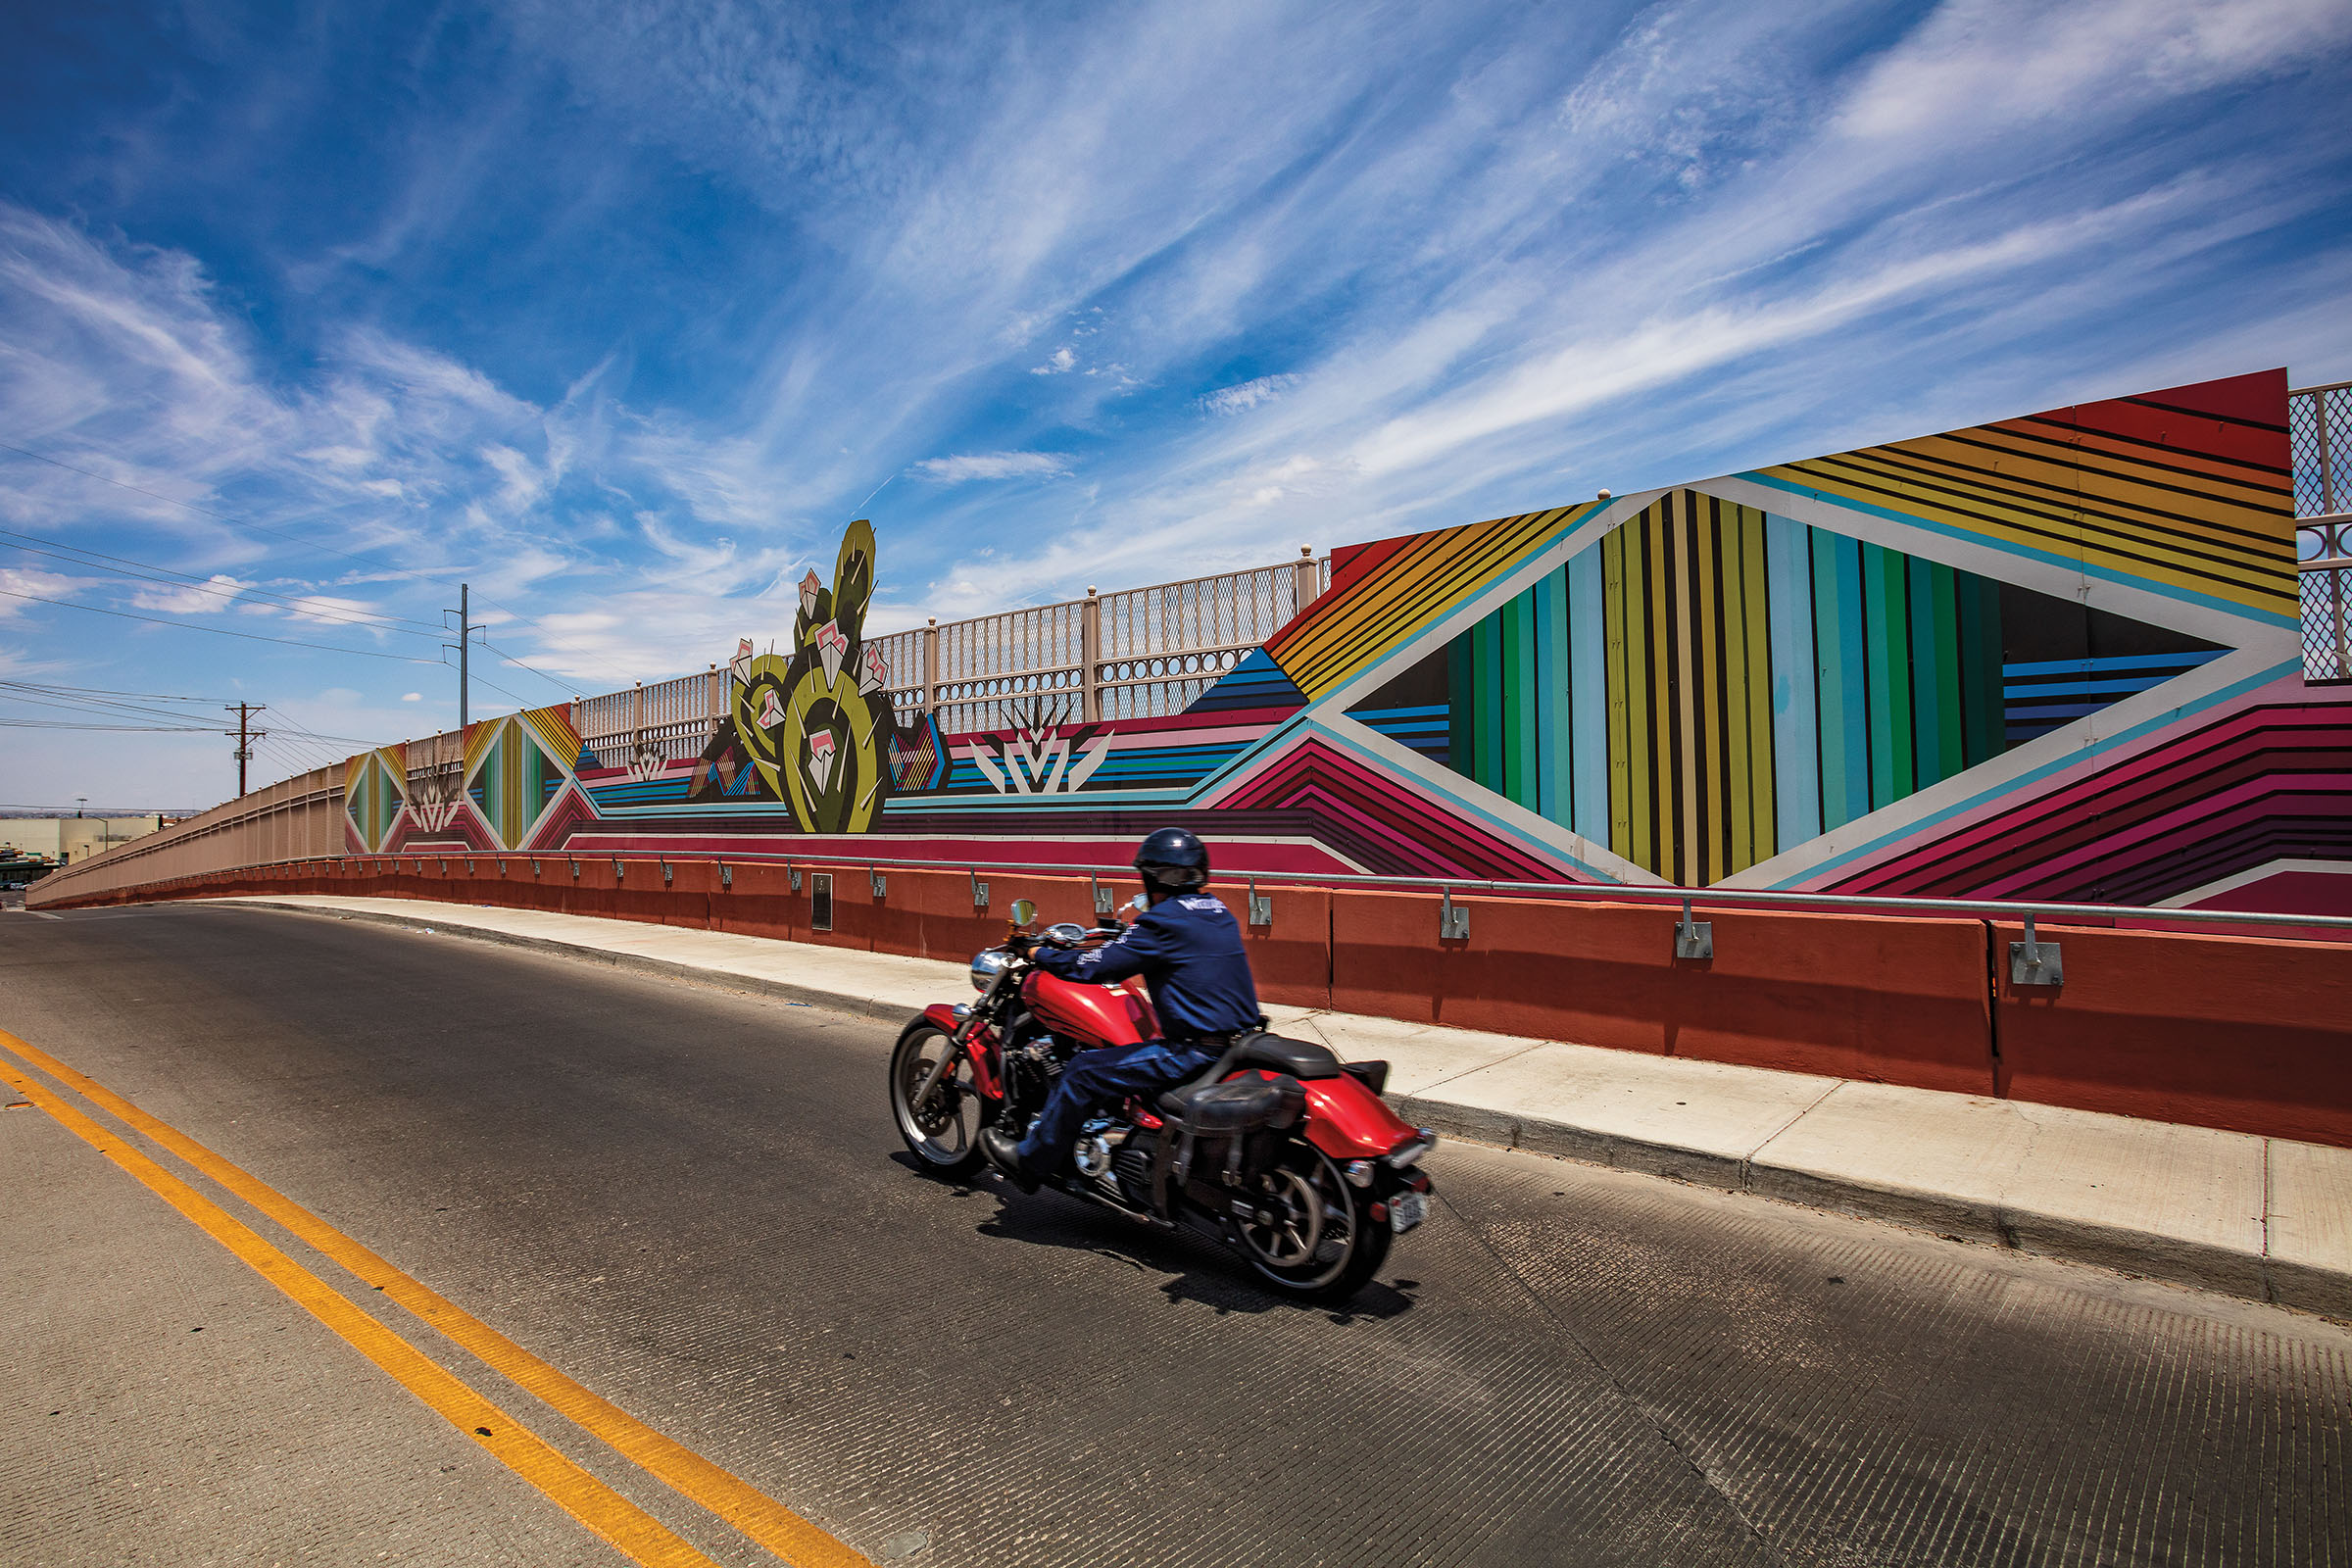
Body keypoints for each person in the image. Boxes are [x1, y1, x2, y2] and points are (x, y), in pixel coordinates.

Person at [981, 827, 1260, 1193]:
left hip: (1192, 1051)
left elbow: (1095, 966)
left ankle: (1031, 1161)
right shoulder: (1217, 910)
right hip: (1240, 1042)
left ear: (1151, 877)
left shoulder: (1161, 921)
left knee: (1081, 1070)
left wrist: (1040, 954)